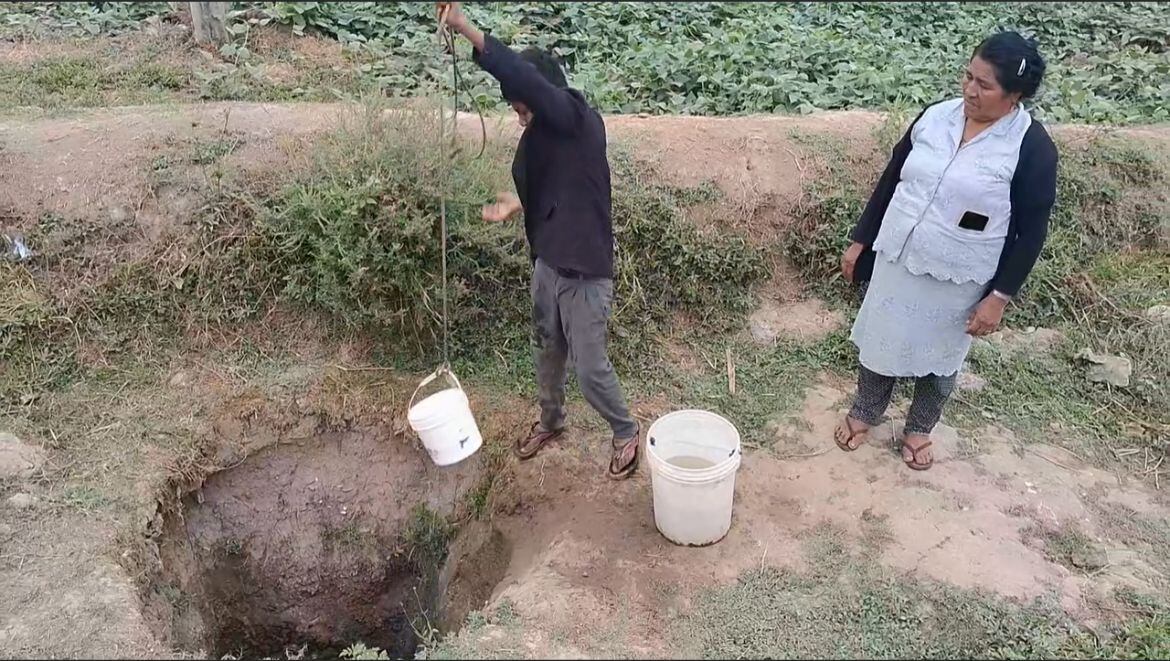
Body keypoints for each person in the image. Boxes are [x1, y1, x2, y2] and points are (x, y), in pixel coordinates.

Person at [836, 31, 1058, 470]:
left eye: (985, 85)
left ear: (1014, 96)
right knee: (882, 338)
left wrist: (999, 297)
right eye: (968, 76)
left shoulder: (1032, 148)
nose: (970, 90)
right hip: (899, 255)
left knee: (940, 358)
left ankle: (919, 428)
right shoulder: (935, 118)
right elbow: (891, 178)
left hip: (961, 272)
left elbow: (1031, 232)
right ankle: (866, 410)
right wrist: (861, 240)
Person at [438, 2, 641, 479]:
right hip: (549, 265)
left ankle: (625, 429)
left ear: (544, 93)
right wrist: (519, 203)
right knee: (546, 352)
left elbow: (529, 84)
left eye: (523, 105)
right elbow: (562, 191)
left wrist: (465, 28)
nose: (519, 113)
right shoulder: (546, 134)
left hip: (586, 275)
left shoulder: (574, 117)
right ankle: (551, 422)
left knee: (590, 371)